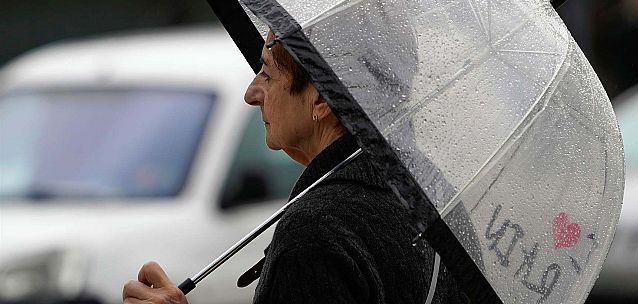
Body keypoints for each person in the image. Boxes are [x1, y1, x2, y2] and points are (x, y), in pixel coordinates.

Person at [122, 31, 472, 303]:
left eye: (268, 74)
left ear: (320, 98)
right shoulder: (435, 195)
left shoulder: (316, 231)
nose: (251, 92)